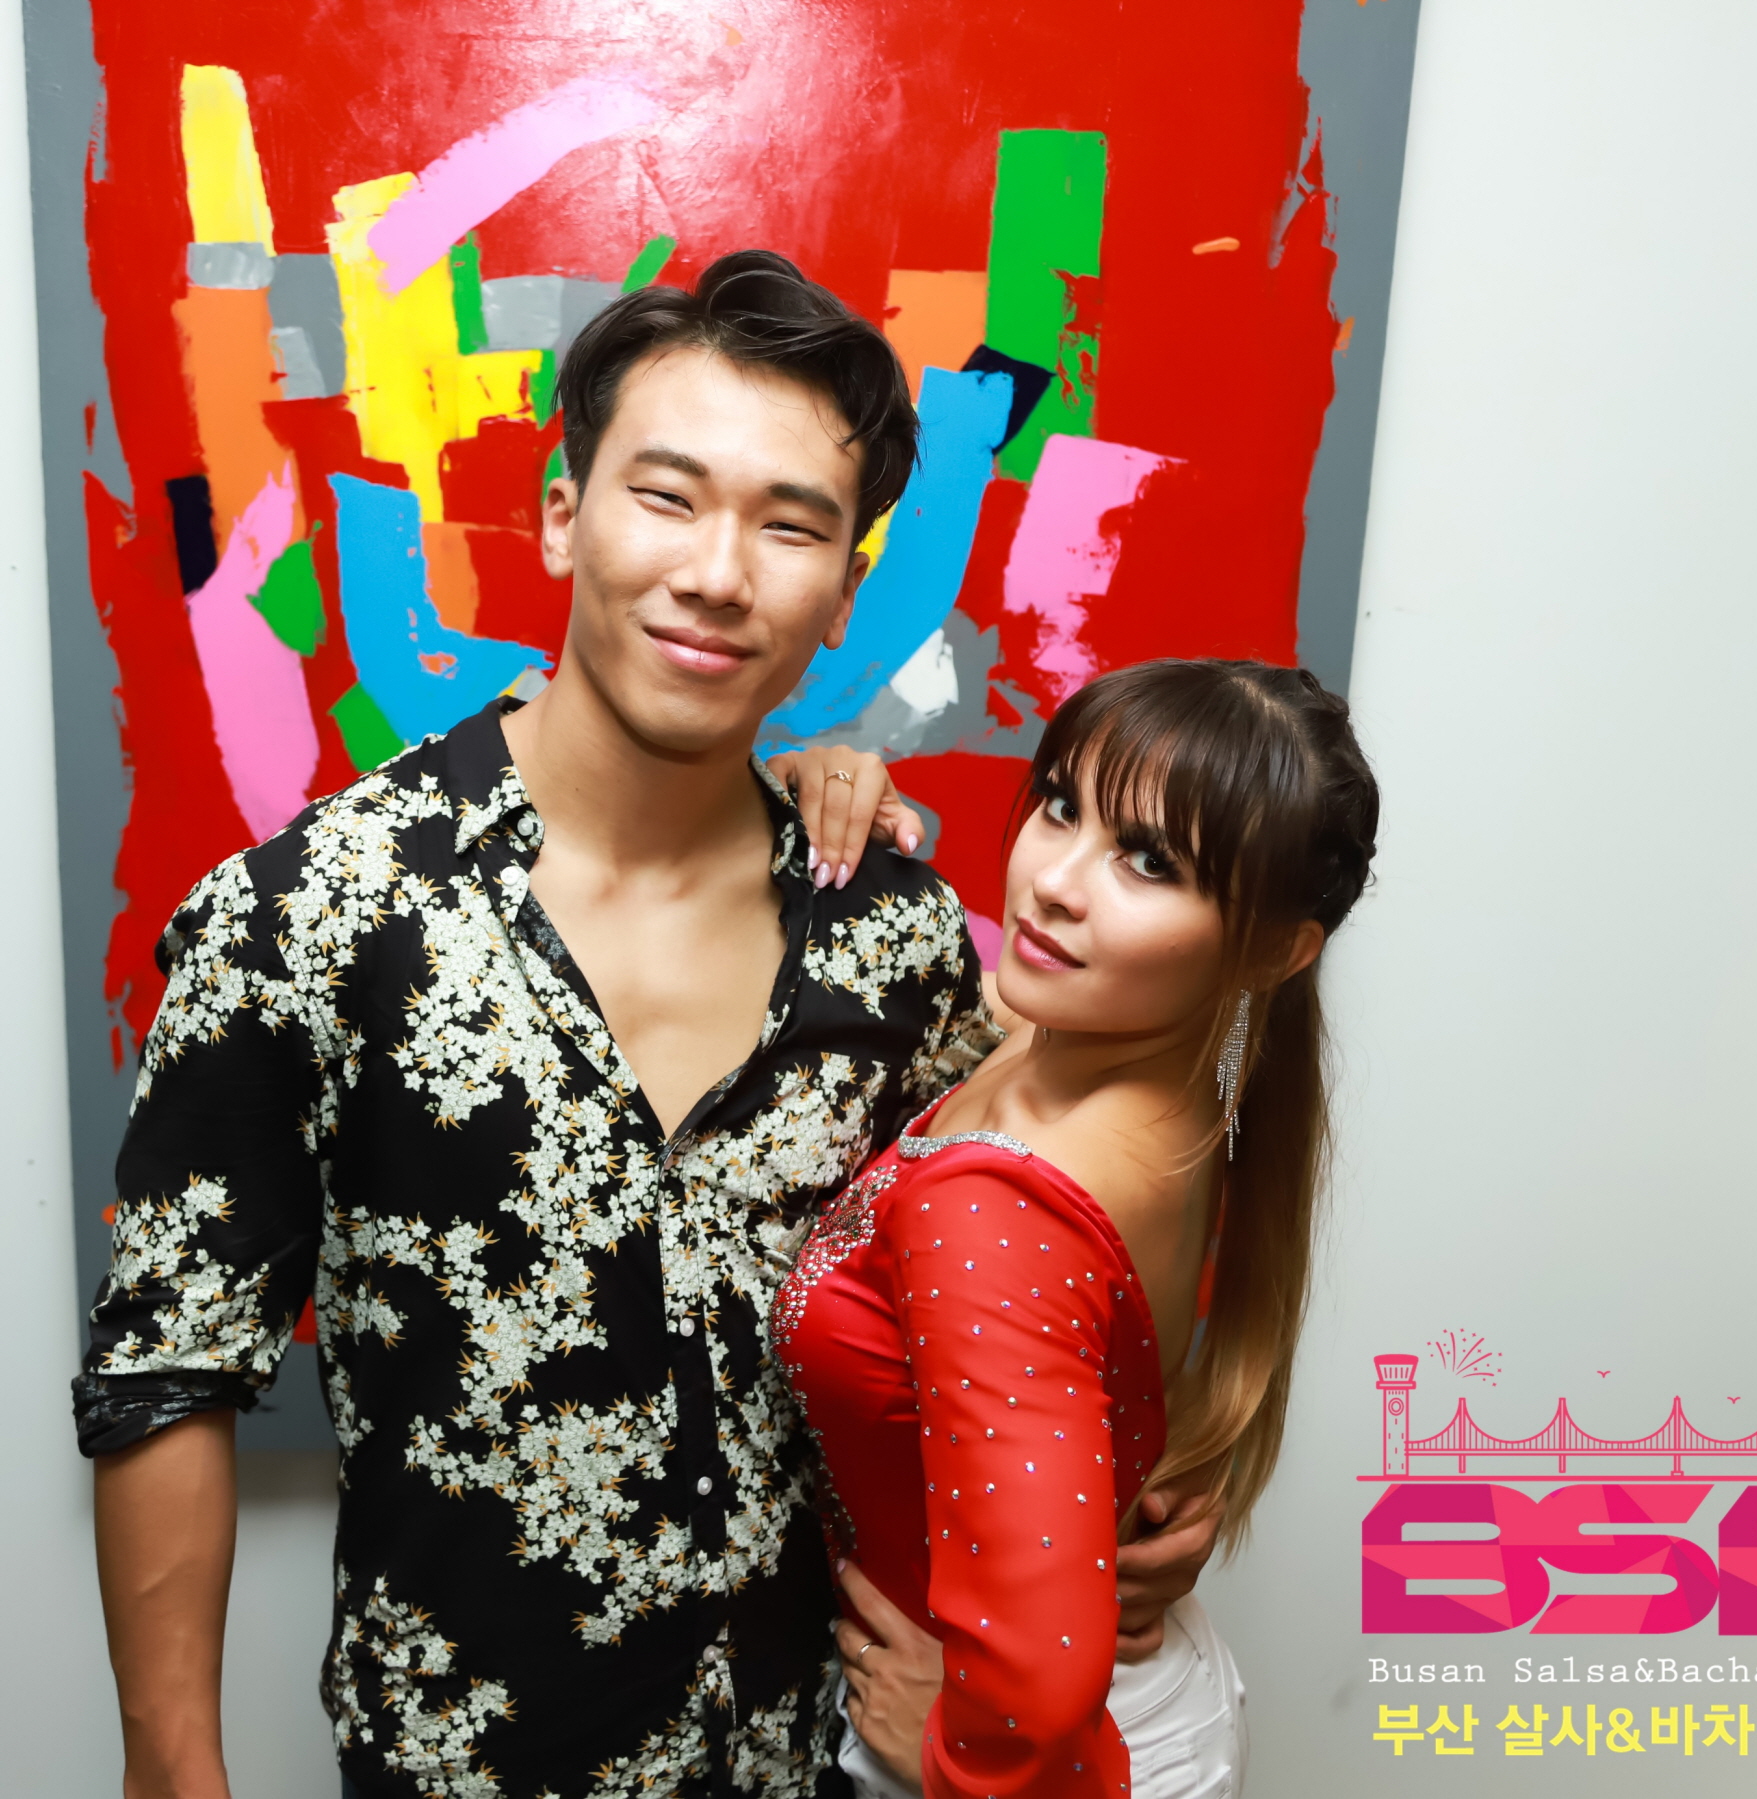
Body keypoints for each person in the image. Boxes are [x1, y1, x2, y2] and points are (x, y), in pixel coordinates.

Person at [75, 251, 1220, 1799]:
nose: (718, 572)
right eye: (667, 497)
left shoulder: (892, 938)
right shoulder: (309, 916)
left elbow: (1044, 1251)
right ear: (564, 514)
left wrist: (1141, 1503)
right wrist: (171, 1766)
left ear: (845, 590)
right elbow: (167, 1367)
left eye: (790, 525)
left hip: (824, 1755)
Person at [776, 659, 1380, 1798]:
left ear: (1272, 950)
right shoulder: (1109, 1058)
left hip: (1030, 1754)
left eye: (1150, 863)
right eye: (1061, 805)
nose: (1052, 881)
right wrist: (812, 778)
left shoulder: (998, 1206)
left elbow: (1038, 1703)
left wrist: (950, 1756)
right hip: (1144, 1692)